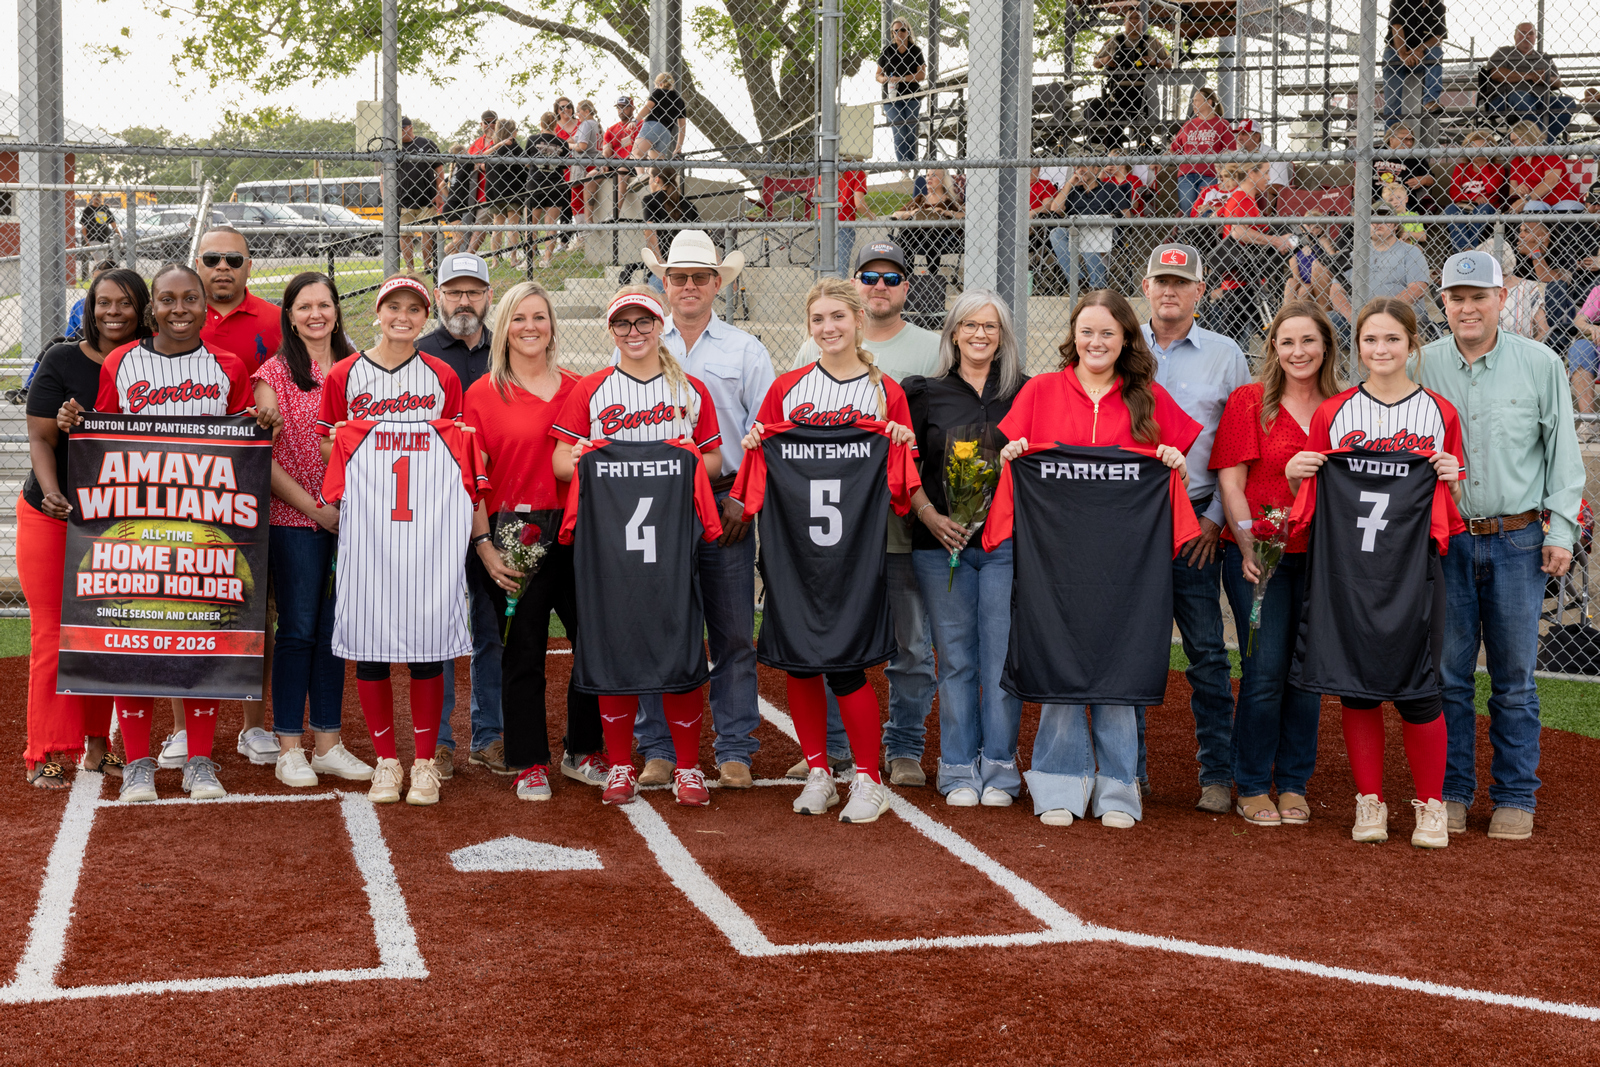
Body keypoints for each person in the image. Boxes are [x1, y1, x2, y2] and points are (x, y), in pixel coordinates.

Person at [995, 290, 1200, 828]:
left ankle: (1116, 788)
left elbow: (1172, 473)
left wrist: (1172, 465)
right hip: (1055, 563)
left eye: (1108, 332)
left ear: (1126, 339)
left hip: (1125, 567)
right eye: (1087, 331)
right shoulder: (1040, 391)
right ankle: (1058, 784)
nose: (1096, 342)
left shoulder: (1146, 401)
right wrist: (1011, 456)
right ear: (1073, 335)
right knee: (1060, 660)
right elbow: (1012, 467)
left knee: (1118, 664)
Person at [62, 264, 263, 803]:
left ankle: (200, 760)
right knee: (134, 637)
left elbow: (243, 444)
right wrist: (75, 423)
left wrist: (261, 426)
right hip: (140, 526)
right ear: (153, 308)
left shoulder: (228, 365)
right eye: (168, 299)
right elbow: (105, 443)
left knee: (201, 639)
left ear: (204, 305)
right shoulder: (124, 361)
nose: (179, 309)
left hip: (205, 527)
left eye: (189, 299)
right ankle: (138, 763)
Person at [1286, 298, 1465, 847]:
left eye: (1392, 339)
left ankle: (1431, 806)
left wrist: (1450, 475)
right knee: (1357, 687)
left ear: (1412, 344)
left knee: (1420, 690)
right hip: (1347, 570)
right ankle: (1371, 803)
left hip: (1415, 571)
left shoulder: (1440, 412)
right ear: (1357, 346)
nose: (1381, 350)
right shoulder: (1334, 412)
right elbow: (1313, 496)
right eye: (1370, 340)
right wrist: (1297, 473)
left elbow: (1450, 502)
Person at [1419, 251, 1586, 840]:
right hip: (1449, 543)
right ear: (1444, 303)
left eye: (1479, 297)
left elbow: (1564, 456)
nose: (1467, 308)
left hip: (1520, 540)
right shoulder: (1421, 365)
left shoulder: (1539, 363)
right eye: (1456, 298)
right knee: (1449, 675)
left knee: (1514, 678)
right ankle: (1455, 791)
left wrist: (1562, 531)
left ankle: (1516, 795)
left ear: (1500, 299)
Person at [739, 278, 918, 823]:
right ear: (808, 326)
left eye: (838, 317)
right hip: (794, 550)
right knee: (798, 663)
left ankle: (867, 776)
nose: (828, 328)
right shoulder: (788, 388)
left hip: (858, 551)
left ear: (858, 319)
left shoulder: (885, 391)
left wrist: (901, 443)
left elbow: (902, 483)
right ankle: (818, 768)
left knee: (846, 665)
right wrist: (754, 444)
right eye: (818, 319)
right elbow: (760, 466)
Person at [551, 289, 723, 806]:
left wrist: (686, 457)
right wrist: (586, 456)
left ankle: (688, 766)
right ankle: (622, 764)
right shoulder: (591, 390)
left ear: (659, 324)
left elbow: (714, 464)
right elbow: (561, 462)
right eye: (622, 324)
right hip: (609, 547)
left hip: (673, 547)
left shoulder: (688, 390)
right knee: (614, 646)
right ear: (611, 331)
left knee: (680, 643)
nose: (633, 332)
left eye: (643, 322)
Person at [787, 240, 941, 786]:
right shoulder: (801, 371)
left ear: (905, 285)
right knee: (822, 640)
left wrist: (904, 456)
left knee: (910, 644)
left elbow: (920, 447)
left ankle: (901, 747)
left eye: (891, 276)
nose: (880, 284)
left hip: (890, 526)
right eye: (869, 276)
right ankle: (828, 752)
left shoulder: (921, 358)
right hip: (822, 535)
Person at [631, 231, 772, 790]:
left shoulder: (745, 349)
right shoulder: (639, 342)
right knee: (659, 625)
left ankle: (734, 746)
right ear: (663, 284)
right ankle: (658, 746)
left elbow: (765, 434)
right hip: (654, 502)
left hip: (727, 502)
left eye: (699, 278)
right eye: (678, 278)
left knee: (734, 628)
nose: (688, 287)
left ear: (718, 284)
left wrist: (746, 500)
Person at [320, 275, 467, 806]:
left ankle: (424, 762)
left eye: (414, 308)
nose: (402, 316)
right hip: (367, 533)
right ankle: (387, 760)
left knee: (428, 649)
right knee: (371, 649)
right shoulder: (345, 375)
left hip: (427, 533)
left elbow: (457, 458)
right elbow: (324, 448)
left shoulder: (442, 376)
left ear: (425, 318)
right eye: (393, 307)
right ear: (377, 314)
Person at [465, 281, 602, 799]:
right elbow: (469, 479)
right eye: (518, 318)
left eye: (539, 317)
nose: (529, 327)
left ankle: (581, 749)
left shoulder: (581, 387)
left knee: (592, 642)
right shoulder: (483, 394)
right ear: (504, 327)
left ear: (552, 326)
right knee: (523, 650)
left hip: (575, 530)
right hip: (513, 531)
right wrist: (484, 545)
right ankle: (528, 760)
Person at [1211, 301, 1344, 826]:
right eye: (1286, 342)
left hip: (1322, 559)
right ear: (1272, 348)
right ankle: (1250, 782)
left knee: (1306, 675)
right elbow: (1230, 481)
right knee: (1264, 672)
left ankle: (1292, 782)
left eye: (1308, 341)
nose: (1298, 352)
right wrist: (1249, 547)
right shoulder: (1250, 402)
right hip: (1260, 560)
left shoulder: (1344, 405)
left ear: (1326, 346)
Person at [18, 269, 148, 789]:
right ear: (90, 307)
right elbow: (40, 436)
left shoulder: (153, 364)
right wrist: (51, 490)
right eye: (103, 302)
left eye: (125, 304)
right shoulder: (62, 359)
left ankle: (99, 743)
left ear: (143, 310)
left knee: (108, 630)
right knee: (53, 632)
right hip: (54, 514)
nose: (112, 313)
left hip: (117, 519)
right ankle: (46, 749)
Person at [902, 289, 1028, 806]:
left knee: (1000, 656)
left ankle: (999, 766)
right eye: (970, 326)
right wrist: (930, 516)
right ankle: (956, 765)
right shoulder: (924, 392)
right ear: (953, 333)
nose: (980, 335)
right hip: (940, 546)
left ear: (1003, 338)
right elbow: (903, 466)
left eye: (991, 327)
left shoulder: (1026, 392)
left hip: (1003, 545)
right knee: (954, 659)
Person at [1140, 244, 1252, 812]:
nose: (1170, 291)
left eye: (1181, 283)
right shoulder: (1120, 343)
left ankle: (1216, 773)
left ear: (1200, 293)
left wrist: (1214, 520)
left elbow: (1239, 442)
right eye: (1161, 280)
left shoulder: (1226, 355)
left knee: (1207, 651)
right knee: (1133, 648)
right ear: (1144, 285)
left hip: (1198, 524)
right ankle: (1128, 772)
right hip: (1132, 526)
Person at [251, 273, 372, 788]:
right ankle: (288, 746)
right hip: (296, 519)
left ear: (338, 310)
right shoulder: (273, 374)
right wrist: (316, 509)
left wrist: (347, 509)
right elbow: (264, 459)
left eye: (325, 304)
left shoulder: (362, 368)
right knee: (298, 628)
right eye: (305, 306)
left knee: (333, 633)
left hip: (354, 521)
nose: (316, 314)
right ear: (290, 314)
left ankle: (327, 741)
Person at [413, 254, 503, 778]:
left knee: (490, 629)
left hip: (495, 509)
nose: (463, 301)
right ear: (438, 295)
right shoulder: (420, 354)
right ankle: (441, 741)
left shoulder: (506, 351)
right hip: (435, 513)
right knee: (440, 629)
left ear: (488, 296)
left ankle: (488, 735)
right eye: (454, 291)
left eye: (473, 291)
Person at [1205, 161, 1295, 343]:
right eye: (1266, 172)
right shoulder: (1241, 198)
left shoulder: (1246, 198)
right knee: (1270, 334)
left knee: (1233, 334)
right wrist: (1276, 240)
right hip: (1242, 279)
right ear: (1251, 174)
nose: (1269, 178)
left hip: (1245, 279)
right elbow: (1238, 232)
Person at [1323, 204, 1432, 336]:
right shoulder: (1355, 255)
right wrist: (1353, 317)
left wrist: (1383, 312)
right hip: (1358, 318)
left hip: (1398, 314)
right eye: (1372, 219)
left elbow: (1417, 288)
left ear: (1395, 225)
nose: (1377, 223)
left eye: (1385, 219)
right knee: (1323, 324)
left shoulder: (1411, 251)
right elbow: (1336, 291)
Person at [1084, 8, 1172, 142]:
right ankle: (1114, 154)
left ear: (1143, 22)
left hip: (1145, 92)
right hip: (1118, 91)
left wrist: (1156, 61)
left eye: (1138, 18)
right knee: (1114, 129)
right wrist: (1106, 60)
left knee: (1145, 131)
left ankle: (1145, 153)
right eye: (1131, 18)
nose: (1134, 21)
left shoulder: (1152, 41)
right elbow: (1095, 62)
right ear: (1125, 21)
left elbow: (1170, 63)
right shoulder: (1114, 40)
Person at [1483, 23, 1578, 142]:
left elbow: (1558, 82)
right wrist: (1529, 76)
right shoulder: (1504, 52)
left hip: (1540, 99)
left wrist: (1545, 78)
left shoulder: (1543, 57)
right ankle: (1544, 144)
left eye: (1531, 34)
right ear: (1514, 37)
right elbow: (1496, 74)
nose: (1527, 36)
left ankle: (1542, 141)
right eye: (1522, 33)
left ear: (1535, 38)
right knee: (1521, 96)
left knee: (1568, 102)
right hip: (1505, 99)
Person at [1045, 161, 1132, 291]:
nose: (1081, 170)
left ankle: (1098, 285)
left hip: (1106, 231)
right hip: (1077, 233)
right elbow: (1055, 209)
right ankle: (1078, 279)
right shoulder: (1073, 192)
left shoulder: (1110, 188)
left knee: (1088, 231)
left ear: (1095, 170)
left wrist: (1106, 217)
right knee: (1056, 233)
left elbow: (1127, 216)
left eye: (1085, 166)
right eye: (1078, 167)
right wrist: (1069, 183)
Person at [1168, 88, 1235, 219]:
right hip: (1186, 174)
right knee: (1190, 213)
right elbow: (1174, 148)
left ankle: (1203, 238)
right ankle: (1192, 238)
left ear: (1209, 102)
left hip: (1210, 174)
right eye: (1192, 101)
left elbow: (1231, 151)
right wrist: (1164, 157)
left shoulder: (1222, 124)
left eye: (1196, 101)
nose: (1193, 104)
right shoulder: (1188, 125)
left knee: (1205, 213)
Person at [394, 117, 444, 271]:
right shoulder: (394, 147)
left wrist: (439, 193)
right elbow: (384, 177)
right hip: (403, 200)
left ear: (410, 128)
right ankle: (410, 269)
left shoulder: (427, 144)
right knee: (405, 235)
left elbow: (439, 170)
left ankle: (427, 265)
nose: (400, 132)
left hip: (427, 198)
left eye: (402, 129)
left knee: (427, 233)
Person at [1382, 0, 1445, 123]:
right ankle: (1391, 138)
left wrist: (1420, 49)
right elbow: (1397, 26)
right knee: (1392, 103)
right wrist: (1403, 54)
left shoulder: (1438, 6)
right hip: (1396, 52)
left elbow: (1438, 37)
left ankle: (1430, 101)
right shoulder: (1399, 1)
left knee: (1436, 51)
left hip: (1423, 56)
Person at [447, 110, 498, 256]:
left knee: (480, 225)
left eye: (493, 122)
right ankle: (462, 255)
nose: (490, 125)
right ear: (481, 124)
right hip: (471, 193)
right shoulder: (476, 143)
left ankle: (469, 255)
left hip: (489, 190)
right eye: (486, 122)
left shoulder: (500, 141)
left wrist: (481, 165)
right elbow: (469, 163)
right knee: (467, 228)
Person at [1444, 129, 1504, 252]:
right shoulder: (1461, 168)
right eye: (1474, 148)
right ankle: (1468, 249)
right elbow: (1454, 194)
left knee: (1482, 209)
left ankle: (1468, 250)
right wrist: (1474, 197)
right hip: (1465, 206)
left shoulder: (1497, 168)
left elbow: (1491, 189)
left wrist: (1483, 167)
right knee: (1450, 209)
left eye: (1483, 148)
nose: (1478, 152)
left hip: (1487, 207)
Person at [876, 19, 927, 163]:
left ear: (908, 31)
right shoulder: (887, 50)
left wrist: (902, 78)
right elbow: (877, 75)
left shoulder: (915, 50)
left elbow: (922, 75)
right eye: (896, 31)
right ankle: (904, 169)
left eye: (903, 30)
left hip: (912, 96)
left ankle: (910, 165)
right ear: (892, 33)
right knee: (899, 132)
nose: (899, 33)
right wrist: (884, 79)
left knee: (910, 133)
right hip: (891, 98)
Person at [642, 169, 702, 286]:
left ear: (656, 179)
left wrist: (659, 263)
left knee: (660, 303)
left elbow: (649, 231)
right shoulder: (688, 204)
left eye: (650, 177)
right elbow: (703, 235)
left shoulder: (650, 200)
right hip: (689, 265)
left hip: (666, 265)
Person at [525, 113, 569, 268]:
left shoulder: (532, 139)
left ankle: (529, 260)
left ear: (541, 123)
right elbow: (564, 165)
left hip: (535, 184)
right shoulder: (563, 143)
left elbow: (527, 162)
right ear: (555, 124)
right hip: (556, 184)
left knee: (532, 224)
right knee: (551, 224)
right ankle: (547, 259)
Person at [481, 118, 526, 263]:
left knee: (497, 226)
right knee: (513, 225)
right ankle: (513, 258)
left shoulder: (494, 148)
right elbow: (523, 171)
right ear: (513, 132)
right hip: (513, 191)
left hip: (494, 191)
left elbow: (484, 163)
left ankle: (495, 260)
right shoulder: (516, 148)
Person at [1372, 123, 1440, 215]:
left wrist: (1422, 180)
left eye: (1411, 140)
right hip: (1373, 200)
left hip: (1403, 203)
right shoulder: (1375, 153)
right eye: (1404, 139)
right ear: (1391, 140)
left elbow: (1431, 179)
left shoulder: (1415, 157)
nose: (1409, 143)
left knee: (1390, 206)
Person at [569, 100, 603, 249]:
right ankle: (585, 235)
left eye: (578, 110)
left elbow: (582, 146)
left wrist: (567, 145)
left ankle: (583, 238)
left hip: (584, 166)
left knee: (577, 201)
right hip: (594, 165)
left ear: (586, 111)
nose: (577, 114)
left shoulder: (586, 124)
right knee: (589, 201)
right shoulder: (596, 124)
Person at [1569, 283, 1600, 441]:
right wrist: (1593, 328)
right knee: (1579, 349)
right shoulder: (1598, 291)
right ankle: (1590, 422)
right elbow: (1579, 321)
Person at [831, 164, 872, 279]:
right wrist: (871, 215)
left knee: (828, 264)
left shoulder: (829, 169)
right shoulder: (857, 172)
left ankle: (829, 292)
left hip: (826, 221)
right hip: (844, 221)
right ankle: (838, 293)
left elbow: (816, 192)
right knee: (841, 267)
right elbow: (859, 204)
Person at [634, 72, 687, 160]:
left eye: (655, 85)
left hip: (653, 125)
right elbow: (682, 127)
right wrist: (678, 147)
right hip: (666, 133)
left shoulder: (658, 92)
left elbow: (648, 107)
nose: (655, 87)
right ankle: (653, 174)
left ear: (660, 84)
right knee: (656, 166)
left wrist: (635, 120)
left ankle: (640, 174)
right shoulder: (680, 101)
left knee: (636, 153)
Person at [603, 96, 641, 205]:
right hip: (614, 162)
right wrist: (604, 162)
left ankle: (615, 213)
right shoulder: (611, 129)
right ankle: (588, 220)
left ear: (632, 108)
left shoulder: (641, 124)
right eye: (618, 107)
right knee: (590, 176)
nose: (621, 110)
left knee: (621, 173)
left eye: (624, 107)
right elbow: (606, 152)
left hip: (632, 162)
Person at [64, 259, 117, 338]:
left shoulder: (119, 306)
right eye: (95, 279)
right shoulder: (80, 305)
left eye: (103, 280)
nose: (98, 284)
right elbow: (70, 336)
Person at [77, 193, 119, 271]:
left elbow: (112, 222)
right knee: (100, 261)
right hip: (93, 239)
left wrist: (118, 233)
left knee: (105, 261)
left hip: (105, 239)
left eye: (99, 196)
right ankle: (99, 276)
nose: (97, 198)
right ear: (92, 198)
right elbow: (84, 226)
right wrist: (86, 240)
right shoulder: (88, 209)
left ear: (102, 198)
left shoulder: (105, 209)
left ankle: (102, 276)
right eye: (95, 196)